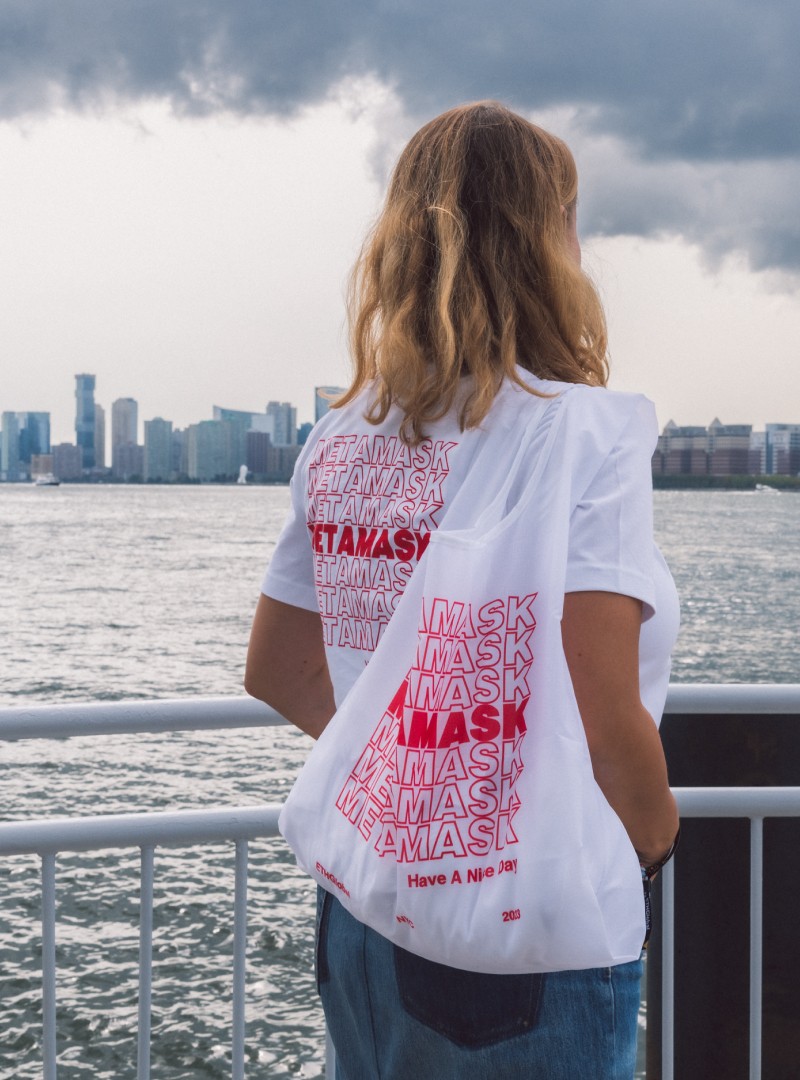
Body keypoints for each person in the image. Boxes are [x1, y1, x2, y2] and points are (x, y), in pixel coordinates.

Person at [245, 101, 680, 1080]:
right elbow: (612, 721)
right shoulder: (581, 434)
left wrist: (410, 788)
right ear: (546, 243)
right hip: (523, 937)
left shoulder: (346, 432)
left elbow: (275, 669)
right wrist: (654, 848)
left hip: (362, 903)